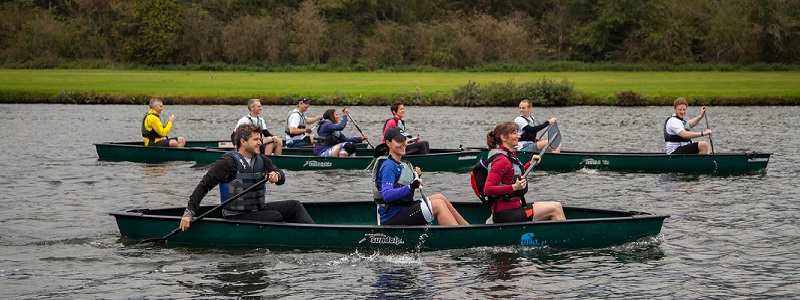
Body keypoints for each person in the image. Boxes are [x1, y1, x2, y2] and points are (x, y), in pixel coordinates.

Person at [179, 124, 314, 231]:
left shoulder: (262, 159)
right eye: (255, 139)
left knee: (294, 206)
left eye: (260, 139)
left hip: (257, 210)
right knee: (275, 216)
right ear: (243, 142)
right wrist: (189, 213)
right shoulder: (227, 162)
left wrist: (277, 176)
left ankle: (314, 233)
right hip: (236, 216)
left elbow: (281, 176)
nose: (260, 142)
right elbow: (204, 186)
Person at [372, 127, 469, 226]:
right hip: (392, 217)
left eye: (404, 140)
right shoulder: (389, 166)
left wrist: (415, 176)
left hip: (405, 208)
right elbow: (387, 195)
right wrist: (410, 186)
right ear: (388, 143)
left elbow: (401, 182)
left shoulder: (400, 163)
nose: (404, 143)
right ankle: (458, 235)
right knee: (439, 205)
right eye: (399, 141)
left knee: (440, 197)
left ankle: (466, 228)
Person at [483, 121, 566, 223]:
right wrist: (514, 187)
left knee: (556, 206)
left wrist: (530, 163)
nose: (518, 136)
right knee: (555, 208)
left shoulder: (508, 155)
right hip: (506, 213)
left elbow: (513, 176)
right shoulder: (501, 160)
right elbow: (488, 189)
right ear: (503, 138)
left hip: (515, 207)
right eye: (514, 133)